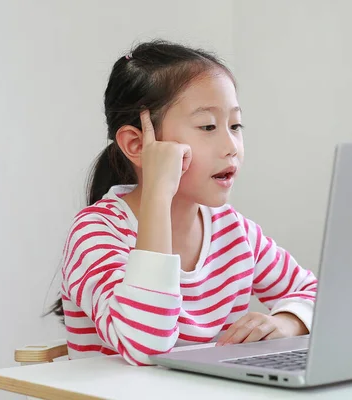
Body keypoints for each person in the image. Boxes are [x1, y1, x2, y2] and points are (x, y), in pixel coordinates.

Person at [52, 40, 318, 366]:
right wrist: (157, 196)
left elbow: (319, 294)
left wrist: (287, 322)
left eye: (235, 125)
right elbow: (146, 346)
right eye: (207, 126)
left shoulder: (235, 233)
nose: (231, 146)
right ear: (137, 145)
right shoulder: (97, 232)